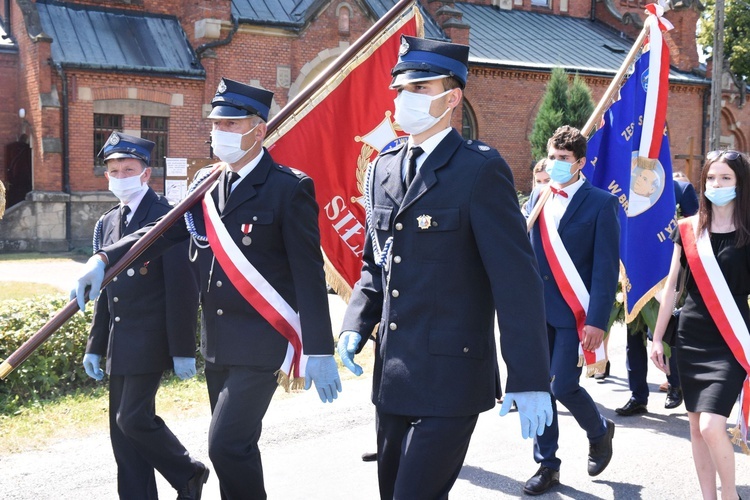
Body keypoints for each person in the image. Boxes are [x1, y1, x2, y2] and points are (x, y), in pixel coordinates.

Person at [73, 78, 342, 500]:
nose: (221, 132)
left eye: (232, 124)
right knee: (238, 448)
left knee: (226, 445)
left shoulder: (288, 188)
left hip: (264, 338)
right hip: (218, 340)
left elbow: (308, 273)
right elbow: (162, 232)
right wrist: (105, 258)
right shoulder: (208, 181)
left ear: (260, 129)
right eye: (216, 123)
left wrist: (320, 349)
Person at [336, 35, 553, 499]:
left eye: (419, 88)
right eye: (400, 89)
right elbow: (377, 263)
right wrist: (356, 322)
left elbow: (516, 282)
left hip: (454, 374)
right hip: (394, 373)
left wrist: (530, 376)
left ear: (451, 98)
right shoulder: (384, 168)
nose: (403, 99)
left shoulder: (479, 169)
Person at [82, 132, 206, 499]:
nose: (120, 176)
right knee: (121, 436)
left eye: (128, 169)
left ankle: (188, 472)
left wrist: (183, 347)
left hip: (152, 337)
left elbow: (182, 287)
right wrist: (95, 344)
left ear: (146, 173)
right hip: (121, 341)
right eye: (114, 170)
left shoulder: (167, 216)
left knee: (132, 419)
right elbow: (106, 289)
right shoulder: (107, 222)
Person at [522, 125, 620, 495]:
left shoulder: (601, 203)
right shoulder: (538, 198)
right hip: (536, 312)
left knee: (562, 385)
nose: (555, 164)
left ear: (580, 162)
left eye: (564, 159)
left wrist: (597, 320)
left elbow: (605, 268)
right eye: (552, 157)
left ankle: (599, 430)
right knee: (538, 389)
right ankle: (547, 466)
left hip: (573, 313)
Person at [651, 150, 750, 500]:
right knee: (695, 426)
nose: (716, 184)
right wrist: (658, 337)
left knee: (712, 425)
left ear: (740, 184)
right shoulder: (689, 229)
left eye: (725, 178)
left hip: (731, 337)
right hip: (691, 335)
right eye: (711, 178)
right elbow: (673, 286)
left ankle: (729, 495)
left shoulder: (749, 232)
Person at [616, 173, 700, 416]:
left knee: (666, 333)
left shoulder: (680, 189)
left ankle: (675, 385)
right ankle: (638, 395)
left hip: (668, 272)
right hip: (634, 271)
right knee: (634, 337)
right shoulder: (625, 187)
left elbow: (693, 228)